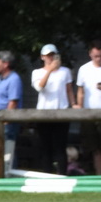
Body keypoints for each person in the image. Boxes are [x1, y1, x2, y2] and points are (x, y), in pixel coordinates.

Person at [31, 43, 74, 173]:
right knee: (45, 147)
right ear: (42, 57)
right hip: (43, 113)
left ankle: (62, 174)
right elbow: (40, 87)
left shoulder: (65, 71)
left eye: (52, 55)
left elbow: (69, 90)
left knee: (60, 147)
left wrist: (74, 104)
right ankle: (47, 175)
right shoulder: (37, 72)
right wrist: (49, 70)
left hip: (62, 112)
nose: (50, 58)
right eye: (47, 55)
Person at [0, 49, 24, 173]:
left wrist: (6, 121)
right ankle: (3, 173)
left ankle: (9, 174)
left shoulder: (14, 79)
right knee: (1, 150)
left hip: (7, 122)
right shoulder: (1, 78)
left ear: (6, 63)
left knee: (9, 151)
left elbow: (13, 102)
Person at [75, 41, 101, 175]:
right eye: (96, 56)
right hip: (89, 114)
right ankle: (99, 176)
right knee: (95, 148)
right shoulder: (84, 69)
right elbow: (80, 91)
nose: (99, 59)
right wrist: (79, 107)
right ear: (90, 55)